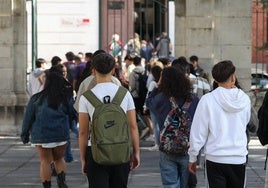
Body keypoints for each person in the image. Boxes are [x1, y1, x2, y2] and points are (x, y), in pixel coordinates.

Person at [78, 52, 140, 188]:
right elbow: (133, 126)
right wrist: (136, 152)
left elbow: (83, 132)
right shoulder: (125, 94)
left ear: (93, 70)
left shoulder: (86, 97)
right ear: (113, 70)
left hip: (95, 151)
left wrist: (83, 159)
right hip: (121, 149)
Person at [188, 60, 251, 188]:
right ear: (233, 77)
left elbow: (198, 132)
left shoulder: (207, 100)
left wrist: (192, 157)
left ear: (215, 80)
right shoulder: (244, 99)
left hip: (215, 158)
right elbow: (245, 123)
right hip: (238, 157)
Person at [21, 65, 75, 188]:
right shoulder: (65, 98)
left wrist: (24, 135)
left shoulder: (36, 99)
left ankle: (47, 186)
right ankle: (62, 182)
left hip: (41, 135)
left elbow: (27, 119)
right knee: (59, 159)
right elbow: (72, 114)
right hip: (61, 134)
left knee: (45, 162)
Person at [146, 66, 199, 188]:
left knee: (170, 184)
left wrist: (157, 86)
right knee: (187, 184)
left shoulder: (161, 99)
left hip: (167, 148)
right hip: (187, 148)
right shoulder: (194, 100)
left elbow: (149, 102)